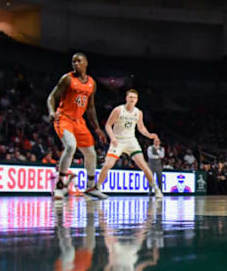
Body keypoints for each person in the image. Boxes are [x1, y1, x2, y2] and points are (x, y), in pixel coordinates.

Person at [47, 52, 106, 200]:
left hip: (79, 121)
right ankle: (60, 185)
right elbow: (52, 97)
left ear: (86, 63)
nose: (75, 64)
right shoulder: (67, 79)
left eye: (78, 61)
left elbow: (91, 108)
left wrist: (97, 128)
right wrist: (51, 111)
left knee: (91, 154)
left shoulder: (92, 83)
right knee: (71, 146)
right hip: (64, 118)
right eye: (73, 62)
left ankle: (91, 186)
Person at [88, 89, 162, 199]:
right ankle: (97, 188)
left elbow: (141, 128)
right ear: (126, 98)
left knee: (144, 165)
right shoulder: (118, 110)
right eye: (130, 97)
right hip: (117, 140)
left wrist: (149, 135)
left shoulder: (138, 112)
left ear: (137, 100)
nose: (132, 99)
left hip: (131, 141)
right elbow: (108, 125)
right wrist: (112, 138)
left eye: (134, 98)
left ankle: (156, 189)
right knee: (108, 164)